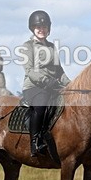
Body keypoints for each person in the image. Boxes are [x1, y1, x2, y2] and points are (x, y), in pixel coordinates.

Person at [21, 10, 70, 157]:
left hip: (53, 86)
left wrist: (71, 84)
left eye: (44, 27)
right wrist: (46, 81)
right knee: (42, 104)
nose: (41, 30)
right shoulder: (27, 46)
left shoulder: (51, 47)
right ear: (32, 29)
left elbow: (59, 70)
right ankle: (35, 142)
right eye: (38, 27)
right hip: (34, 86)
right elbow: (29, 70)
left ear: (49, 29)